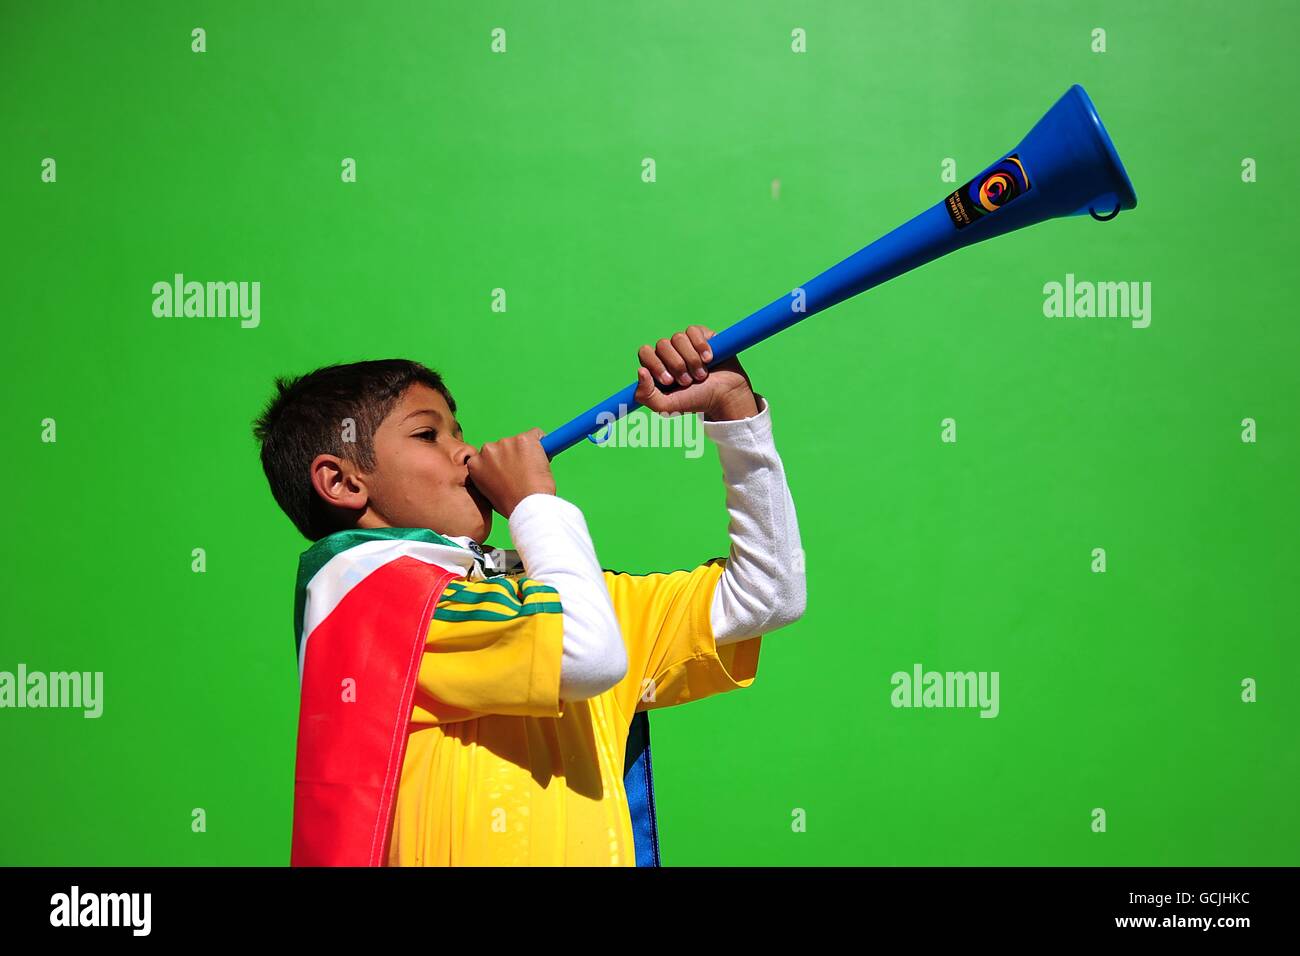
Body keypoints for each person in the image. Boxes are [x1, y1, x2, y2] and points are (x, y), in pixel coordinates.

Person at [252, 325, 806, 865]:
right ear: (343, 483)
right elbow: (588, 654)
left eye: (458, 431)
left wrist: (735, 413)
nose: (465, 453)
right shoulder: (374, 606)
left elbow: (767, 596)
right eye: (429, 435)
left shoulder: (529, 599)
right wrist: (533, 503)